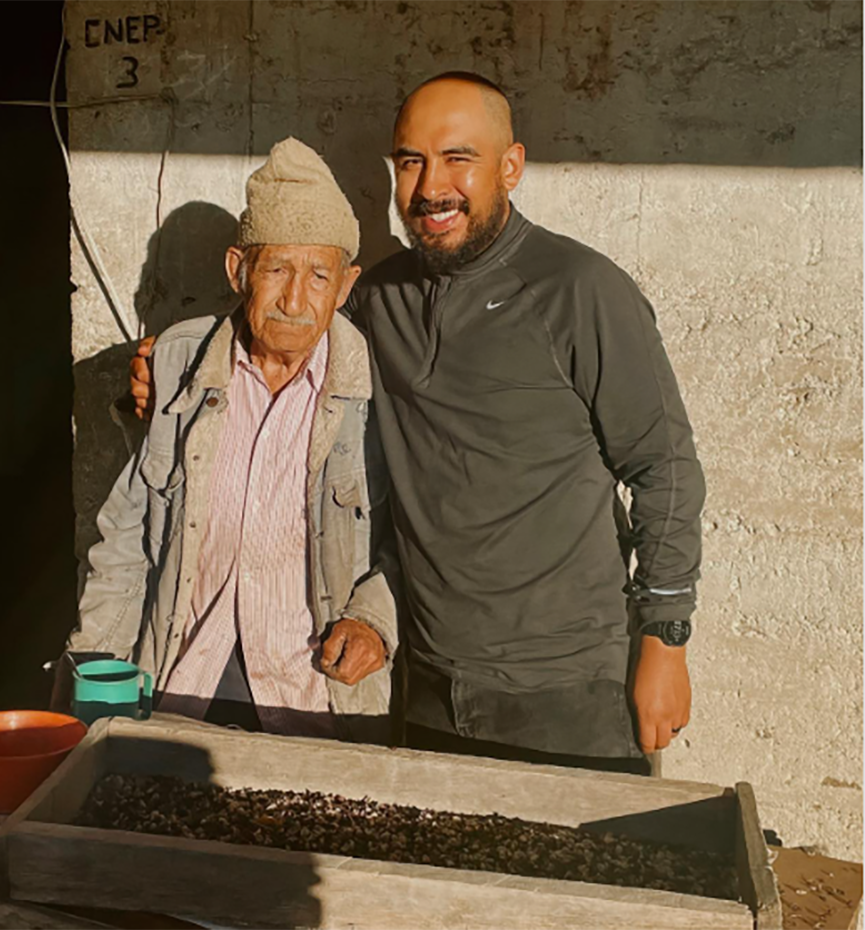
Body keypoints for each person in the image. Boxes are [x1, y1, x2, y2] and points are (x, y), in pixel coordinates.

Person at [132, 74, 705, 773]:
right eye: (411, 162)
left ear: (511, 166)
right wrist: (169, 368)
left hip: (568, 685)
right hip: (426, 680)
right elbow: (279, 326)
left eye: (458, 158)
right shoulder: (380, 299)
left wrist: (665, 643)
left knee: (562, 881)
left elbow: (664, 467)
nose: (433, 186)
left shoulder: (580, 292)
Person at [65, 138, 398, 744]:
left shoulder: (376, 386)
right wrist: (96, 672)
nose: (296, 300)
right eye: (276, 270)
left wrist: (375, 617)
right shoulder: (178, 364)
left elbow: (414, 537)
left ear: (345, 286)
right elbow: (128, 536)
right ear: (238, 270)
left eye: (319, 275)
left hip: (314, 693)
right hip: (185, 679)